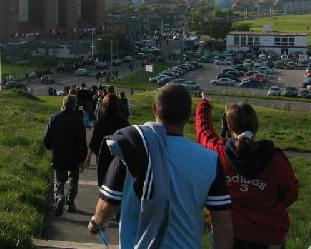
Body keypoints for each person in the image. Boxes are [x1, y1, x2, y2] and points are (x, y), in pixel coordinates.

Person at [88, 83, 233, 249]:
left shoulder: (132, 148)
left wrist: (95, 223)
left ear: (155, 109)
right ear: (189, 115)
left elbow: (108, 204)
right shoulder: (211, 159)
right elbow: (222, 221)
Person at [196, 95, 298, 249]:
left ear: (229, 126)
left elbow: (204, 132)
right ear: (256, 125)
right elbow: (290, 195)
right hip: (269, 237)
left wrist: (204, 105)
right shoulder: (277, 160)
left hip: (227, 235)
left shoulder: (218, 151)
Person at [43, 95, 88, 216]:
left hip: (58, 154)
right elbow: (82, 142)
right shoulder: (78, 121)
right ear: (74, 106)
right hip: (74, 155)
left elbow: (46, 138)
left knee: (59, 179)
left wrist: (51, 148)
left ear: (63, 105)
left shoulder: (54, 118)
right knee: (73, 179)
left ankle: (59, 197)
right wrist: (83, 158)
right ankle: (70, 202)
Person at [84, 93, 129, 175]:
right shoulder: (123, 121)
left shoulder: (101, 121)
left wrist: (89, 156)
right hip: (118, 157)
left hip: (103, 156)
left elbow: (94, 139)